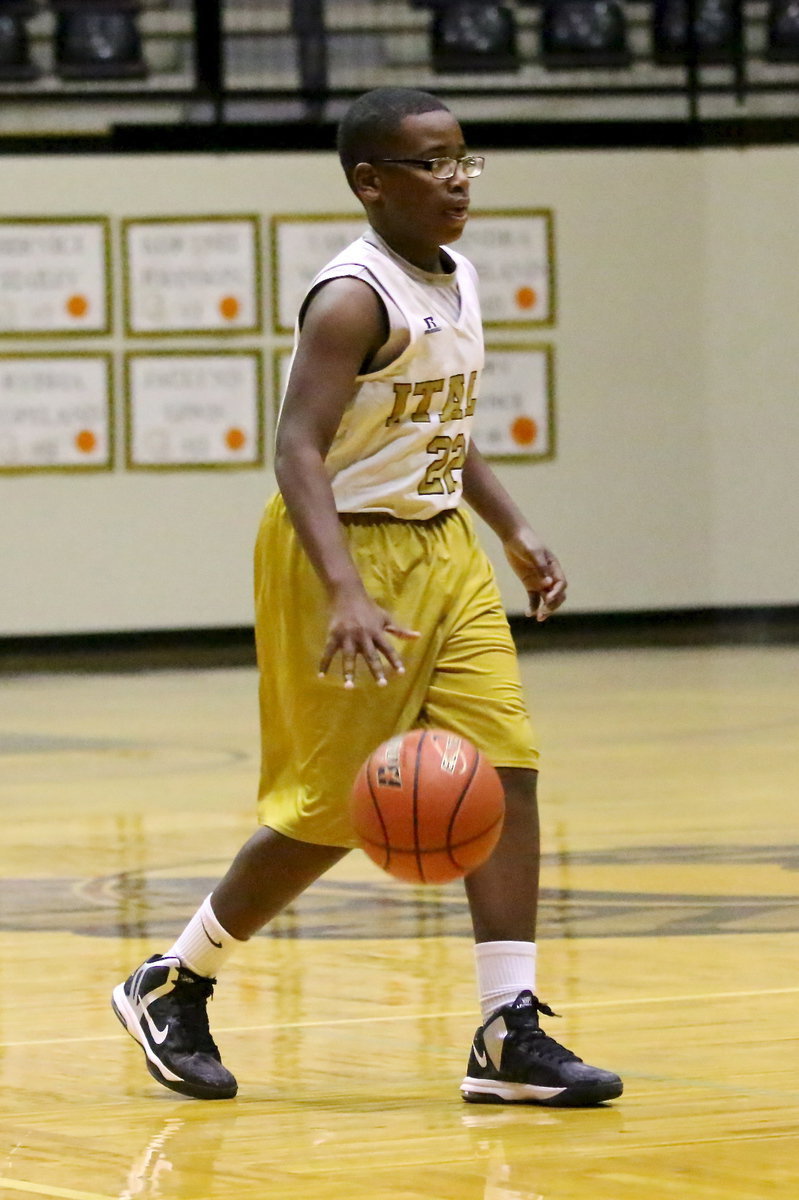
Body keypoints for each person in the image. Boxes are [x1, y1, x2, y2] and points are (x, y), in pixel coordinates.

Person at [112, 87, 623, 1108]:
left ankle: (507, 1029)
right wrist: (344, 590)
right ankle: (174, 978)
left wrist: (512, 528)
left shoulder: (459, 277)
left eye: (463, 159)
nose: (456, 181)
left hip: (441, 548)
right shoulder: (350, 299)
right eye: (432, 163)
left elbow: (439, 427)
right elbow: (296, 448)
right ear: (371, 181)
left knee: (507, 768)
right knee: (332, 808)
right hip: (336, 551)